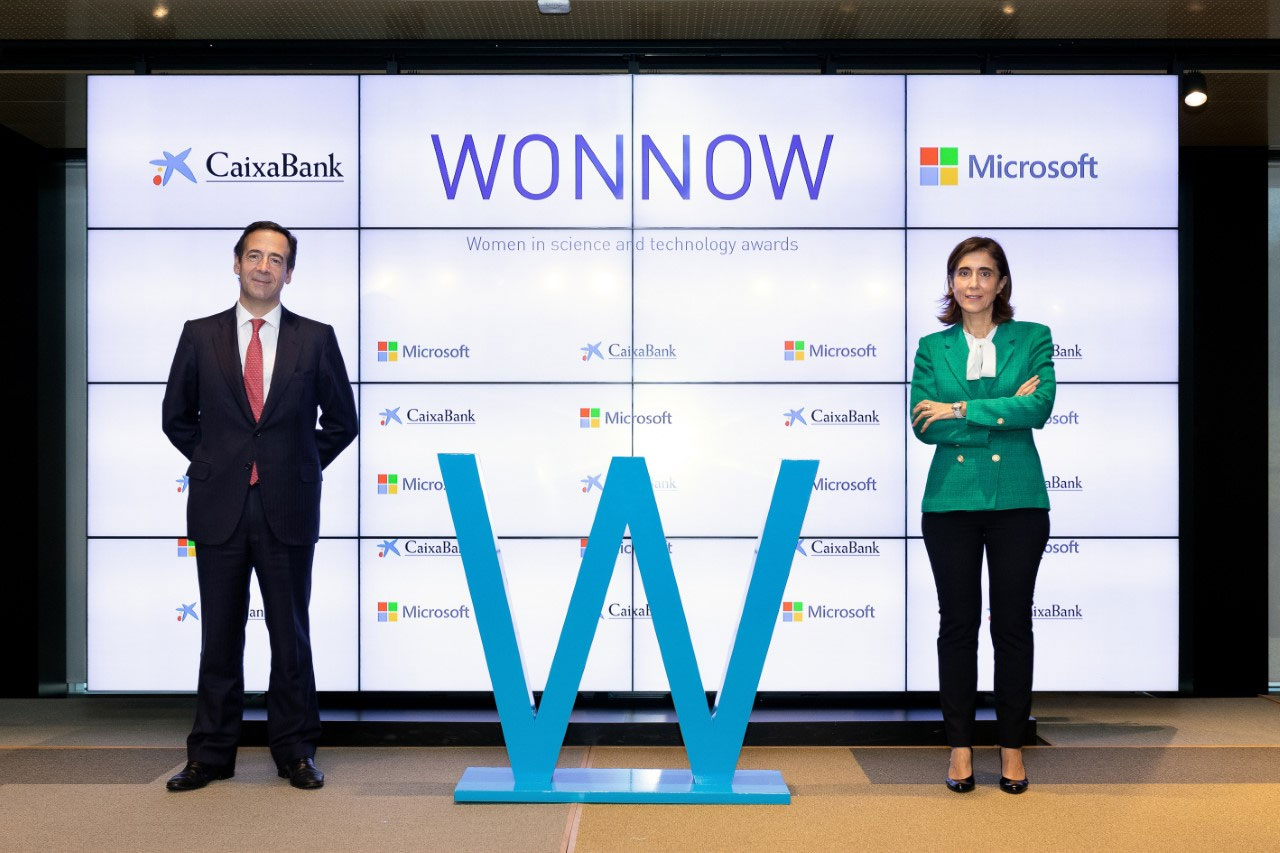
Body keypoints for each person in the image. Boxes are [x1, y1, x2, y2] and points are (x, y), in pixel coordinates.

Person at [161, 221, 358, 791]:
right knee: (219, 636)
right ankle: (209, 755)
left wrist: (294, 463)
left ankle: (295, 752)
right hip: (218, 505)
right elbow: (176, 416)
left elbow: (341, 422)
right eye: (254, 255)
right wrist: (218, 460)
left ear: (289, 273)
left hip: (287, 506)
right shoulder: (199, 334)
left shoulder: (315, 338)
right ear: (236, 263)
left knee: (290, 636)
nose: (264, 267)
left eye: (276, 259)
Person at [909, 236, 1054, 795]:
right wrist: (1002, 410)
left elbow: (1038, 408)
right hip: (951, 503)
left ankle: (1012, 749)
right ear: (951, 283)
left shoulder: (1033, 337)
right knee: (957, 626)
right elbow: (924, 426)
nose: (974, 283)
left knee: (1012, 626)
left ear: (1001, 283)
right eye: (964, 272)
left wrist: (960, 408)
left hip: (1019, 502)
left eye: (985, 273)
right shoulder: (931, 347)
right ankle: (961, 748)